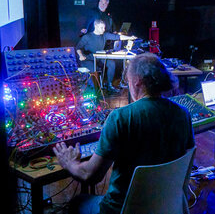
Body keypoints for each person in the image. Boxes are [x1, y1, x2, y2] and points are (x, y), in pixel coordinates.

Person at [53, 53, 195, 214]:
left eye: (128, 82)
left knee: (77, 202)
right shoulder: (183, 114)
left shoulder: (120, 118)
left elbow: (89, 176)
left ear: (137, 82)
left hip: (122, 209)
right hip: (166, 204)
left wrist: (69, 163)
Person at [76, 19, 137, 93]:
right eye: (101, 28)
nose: (103, 29)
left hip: (99, 58)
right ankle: (95, 90)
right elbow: (78, 47)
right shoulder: (87, 37)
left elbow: (117, 37)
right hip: (88, 59)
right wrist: (81, 55)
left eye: (104, 28)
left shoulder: (104, 35)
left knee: (111, 64)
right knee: (93, 69)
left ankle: (109, 85)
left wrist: (130, 38)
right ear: (96, 26)